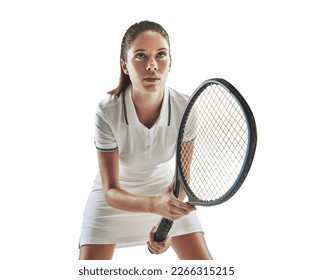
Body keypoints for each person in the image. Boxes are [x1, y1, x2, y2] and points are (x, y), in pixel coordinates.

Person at [78, 20, 213, 260]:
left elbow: (183, 178)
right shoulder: (107, 111)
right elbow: (110, 190)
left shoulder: (186, 108)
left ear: (171, 61)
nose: (152, 65)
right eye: (140, 56)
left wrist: (164, 221)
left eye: (160, 55)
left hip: (166, 190)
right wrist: (153, 205)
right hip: (115, 196)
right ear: (125, 66)